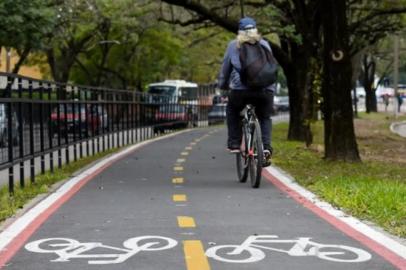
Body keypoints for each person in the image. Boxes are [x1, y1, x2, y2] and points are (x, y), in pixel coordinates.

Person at [217, 17, 275, 166]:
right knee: (265, 117)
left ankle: (235, 143)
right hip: (265, 90)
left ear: (239, 32)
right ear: (255, 30)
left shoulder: (233, 45)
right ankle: (266, 147)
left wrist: (223, 85)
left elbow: (225, 70)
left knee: (232, 110)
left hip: (240, 91)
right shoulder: (265, 44)